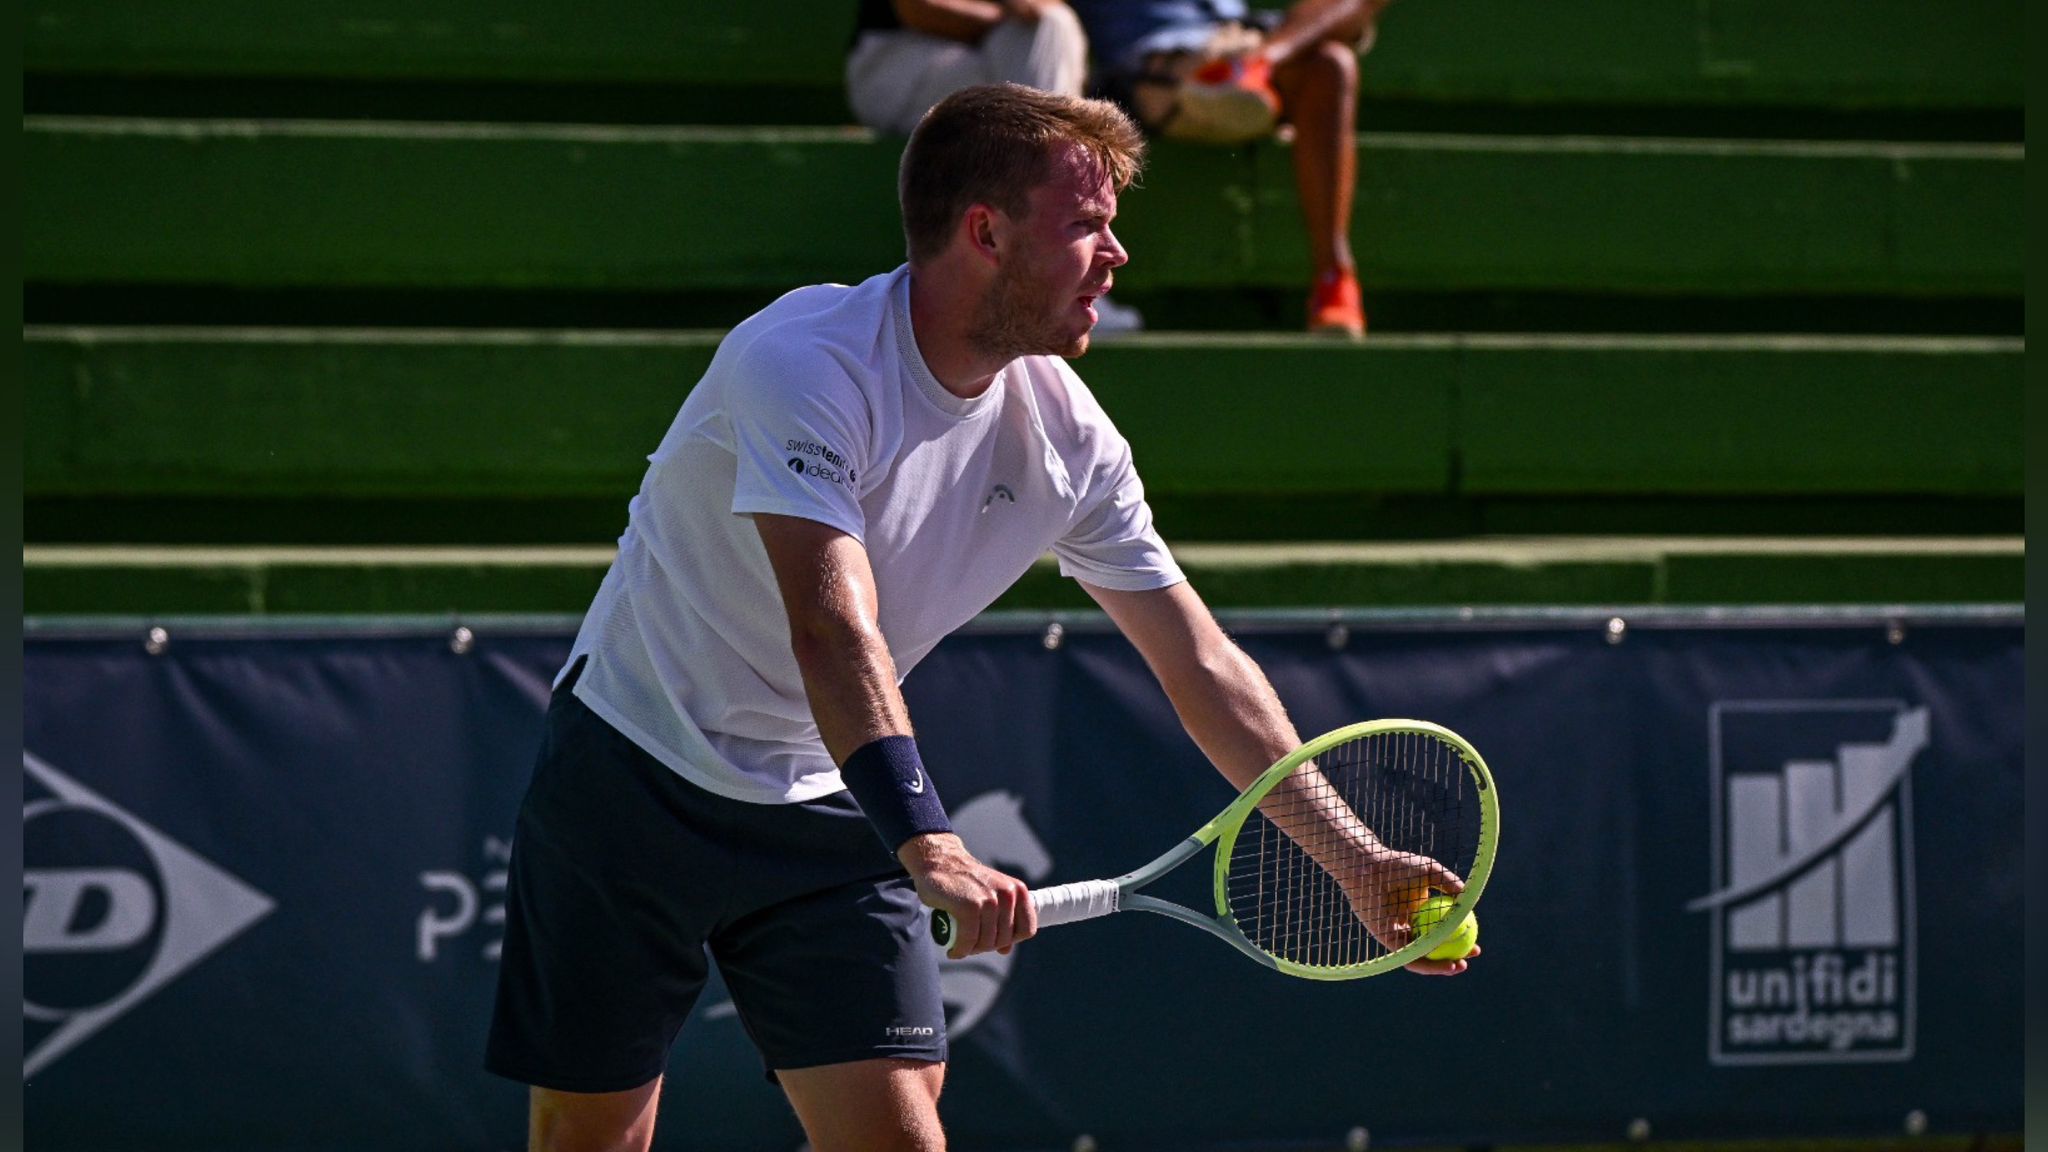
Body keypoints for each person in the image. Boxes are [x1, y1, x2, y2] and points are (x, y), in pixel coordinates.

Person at [485, 83, 1473, 1152]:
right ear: (984, 231)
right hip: (634, 774)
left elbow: (1196, 662)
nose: (1117, 255)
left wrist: (1355, 858)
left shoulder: (1068, 438)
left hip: (829, 803)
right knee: (589, 1137)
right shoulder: (801, 360)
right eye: (1087, 224)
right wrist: (932, 844)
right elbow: (832, 627)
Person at [1071, 0, 1386, 337]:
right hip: (1159, 61)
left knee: (1333, 62)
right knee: (1323, 55)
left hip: (1246, 37)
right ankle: (1251, 71)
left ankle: (1334, 278)